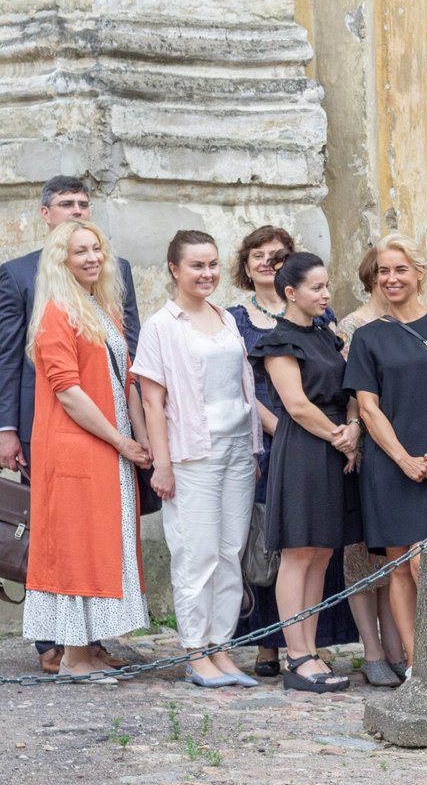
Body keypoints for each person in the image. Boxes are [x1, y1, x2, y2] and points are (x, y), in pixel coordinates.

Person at [0, 177, 140, 674]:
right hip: (63, 432)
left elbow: (129, 363)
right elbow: (17, 363)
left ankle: (90, 644)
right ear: (47, 215)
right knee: (63, 536)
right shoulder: (32, 288)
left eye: (95, 246)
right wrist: (6, 429)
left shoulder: (107, 291)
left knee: (97, 536)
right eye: (67, 205)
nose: (90, 254)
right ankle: (59, 648)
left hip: (105, 431)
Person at [134, 230, 264, 688]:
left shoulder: (225, 317)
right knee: (197, 553)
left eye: (212, 264)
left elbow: (242, 387)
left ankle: (221, 648)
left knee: (231, 552)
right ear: (174, 269)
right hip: (193, 455)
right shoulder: (161, 326)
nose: (206, 273)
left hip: (237, 451)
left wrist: (258, 444)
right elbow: (153, 403)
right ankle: (195, 652)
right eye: (196, 265)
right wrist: (162, 465)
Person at [227, 225, 357, 680]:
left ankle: (312, 647)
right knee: (299, 553)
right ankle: (297, 655)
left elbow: (347, 391)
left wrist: (353, 427)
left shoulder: (327, 335)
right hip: (303, 449)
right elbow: (296, 404)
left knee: (322, 553)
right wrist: (339, 436)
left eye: (326, 286)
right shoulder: (279, 340)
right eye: (317, 288)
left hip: (334, 447)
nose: (325, 294)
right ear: (291, 292)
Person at [344, 233, 427, 676]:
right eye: (383, 271)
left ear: (419, 273)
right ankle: (421, 668)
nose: (391, 278)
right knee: (400, 568)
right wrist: (402, 460)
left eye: (400, 269)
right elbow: (368, 407)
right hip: (390, 466)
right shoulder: (367, 338)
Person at [331, 246, 407, 684]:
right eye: (383, 272)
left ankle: (397, 647)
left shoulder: (412, 323)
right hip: (367, 445)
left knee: (393, 556)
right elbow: (353, 393)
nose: (390, 280)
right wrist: (354, 435)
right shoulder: (353, 326)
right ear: (371, 277)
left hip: (409, 442)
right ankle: (373, 651)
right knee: (362, 557)